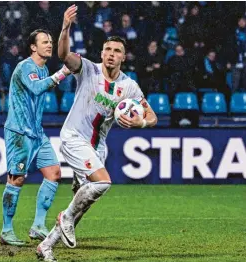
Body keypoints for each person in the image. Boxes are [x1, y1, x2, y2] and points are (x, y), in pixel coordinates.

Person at [36, 5, 158, 261]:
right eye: (108, 50)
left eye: (117, 51)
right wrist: (66, 27)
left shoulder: (129, 86)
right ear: (102, 54)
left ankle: (46, 246)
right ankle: (64, 216)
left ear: (123, 57)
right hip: (73, 137)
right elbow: (63, 54)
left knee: (83, 204)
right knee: (103, 182)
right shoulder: (88, 69)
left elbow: (152, 116)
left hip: (98, 146)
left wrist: (141, 125)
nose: (112, 54)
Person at [0, 29, 70, 246]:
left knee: (54, 172)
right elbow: (37, 88)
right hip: (20, 133)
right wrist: (63, 72)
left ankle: (38, 225)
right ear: (33, 47)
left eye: (50, 42)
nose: (49, 45)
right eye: (44, 42)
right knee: (17, 179)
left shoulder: (44, 68)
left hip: (37, 133)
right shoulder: (25, 67)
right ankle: (6, 230)